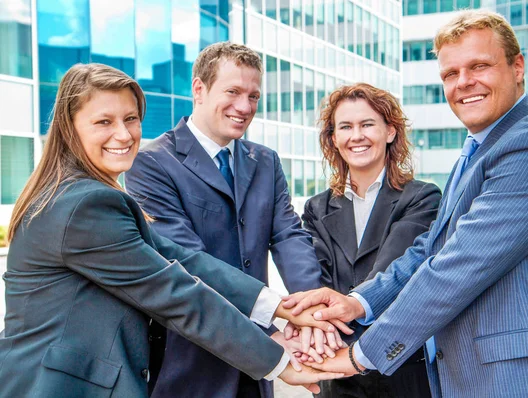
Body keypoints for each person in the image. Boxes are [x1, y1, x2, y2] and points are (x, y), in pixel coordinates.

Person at [283, 9, 528, 398]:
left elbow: (456, 268)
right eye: (451, 74)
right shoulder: (479, 153)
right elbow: (430, 251)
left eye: (479, 66)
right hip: (470, 378)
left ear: (517, 67)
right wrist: (357, 303)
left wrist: (360, 354)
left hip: (520, 381)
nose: (464, 83)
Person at [0, 63, 344, 397]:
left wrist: (285, 308)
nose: (124, 134)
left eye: (131, 119)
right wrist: (279, 361)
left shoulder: (86, 195)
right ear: (69, 127)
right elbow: (175, 293)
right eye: (104, 121)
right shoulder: (85, 205)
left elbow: (182, 261)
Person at [124, 42, 339, 398]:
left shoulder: (265, 161)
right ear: (199, 89)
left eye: (253, 96)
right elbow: (186, 259)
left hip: (255, 380)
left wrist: (313, 308)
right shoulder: (151, 164)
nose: (245, 107)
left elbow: (287, 234)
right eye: (233, 92)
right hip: (193, 362)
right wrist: (272, 331)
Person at [302, 83, 441, 397]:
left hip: (401, 368)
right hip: (337, 375)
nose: (357, 136)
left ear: (390, 132)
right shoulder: (316, 208)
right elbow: (316, 284)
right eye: (346, 127)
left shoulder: (421, 198)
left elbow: (392, 275)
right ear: (334, 138)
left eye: (367, 124)